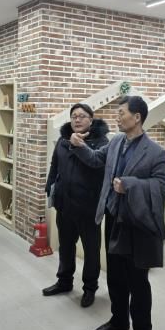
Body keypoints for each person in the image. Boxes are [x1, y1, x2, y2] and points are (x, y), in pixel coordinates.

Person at [70, 95, 165, 330]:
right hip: (114, 218)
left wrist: (130, 185)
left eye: (121, 113)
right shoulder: (115, 142)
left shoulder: (156, 152)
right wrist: (79, 146)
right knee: (115, 276)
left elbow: (162, 186)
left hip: (136, 224)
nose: (117, 117)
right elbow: (96, 159)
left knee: (138, 282)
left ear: (137, 117)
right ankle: (119, 320)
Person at [42, 103, 109, 307]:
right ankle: (64, 281)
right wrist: (50, 185)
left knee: (91, 251)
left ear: (91, 119)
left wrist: (79, 145)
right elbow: (55, 165)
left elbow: (96, 165)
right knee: (65, 246)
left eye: (82, 116)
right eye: (74, 116)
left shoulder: (101, 142)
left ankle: (90, 288)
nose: (77, 119)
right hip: (65, 204)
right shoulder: (63, 140)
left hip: (88, 207)